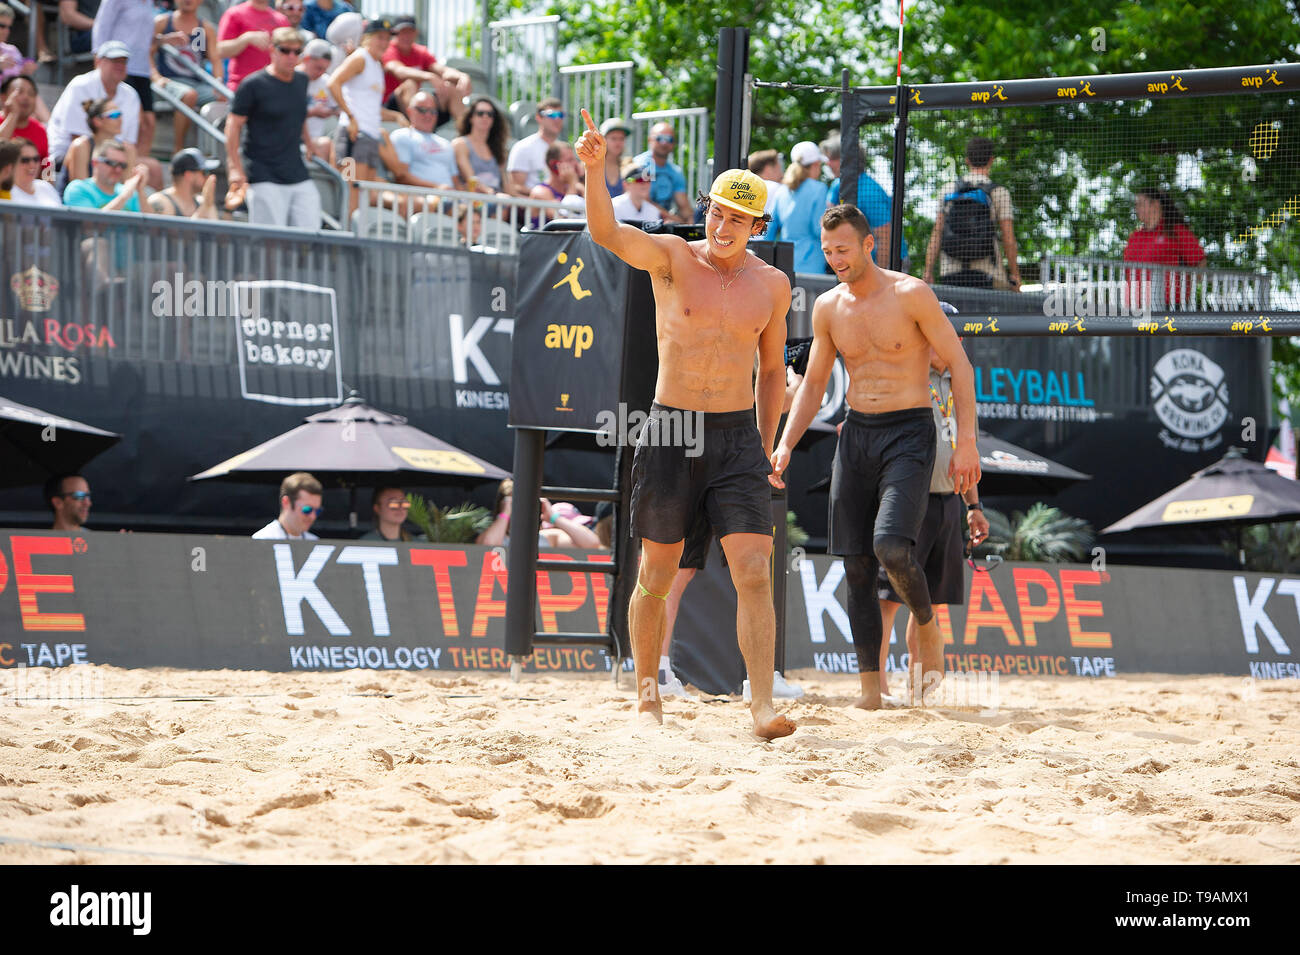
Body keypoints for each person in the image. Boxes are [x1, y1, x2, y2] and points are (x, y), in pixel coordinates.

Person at [578, 108, 796, 741]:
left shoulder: (773, 285)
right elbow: (606, 233)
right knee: (656, 573)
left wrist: (767, 442)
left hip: (735, 438)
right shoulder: (674, 257)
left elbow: (773, 372)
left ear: (758, 225)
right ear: (707, 210)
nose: (723, 226)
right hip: (673, 428)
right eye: (717, 212)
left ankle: (759, 706)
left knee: (755, 568)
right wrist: (596, 172)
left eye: (738, 218)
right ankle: (647, 698)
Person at [771, 204, 980, 711]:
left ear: (868, 244)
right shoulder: (828, 306)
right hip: (858, 434)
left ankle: (926, 624)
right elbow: (815, 383)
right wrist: (784, 443)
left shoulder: (910, 293)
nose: (835, 259)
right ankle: (870, 692)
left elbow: (959, 365)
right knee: (857, 566)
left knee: (889, 545)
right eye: (827, 252)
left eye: (843, 249)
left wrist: (968, 442)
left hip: (910, 431)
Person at [875, 320, 988, 704]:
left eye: (959, 336)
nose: (957, 341)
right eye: (950, 334)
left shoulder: (960, 383)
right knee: (888, 600)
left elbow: (965, 450)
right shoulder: (907, 376)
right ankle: (876, 688)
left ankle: (920, 691)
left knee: (930, 603)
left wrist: (974, 506)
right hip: (909, 500)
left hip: (948, 501)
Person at [225, 27, 321, 229]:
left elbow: (299, 113)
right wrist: (235, 168)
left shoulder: (302, 81)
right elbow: (233, 126)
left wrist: (309, 142)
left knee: (312, 235)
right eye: (285, 50)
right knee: (269, 242)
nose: (291, 56)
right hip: (263, 174)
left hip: (296, 172)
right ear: (272, 50)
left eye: (297, 52)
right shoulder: (252, 84)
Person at [923, 136, 1020, 290]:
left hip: (951, 271)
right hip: (987, 272)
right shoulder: (999, 192)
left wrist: (928, 270)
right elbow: (1008, 237)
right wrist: (1015, 274)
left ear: (967, 160)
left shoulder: (948, 189)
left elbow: (937, 232)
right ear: (991, 160)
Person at [329, 17, 405, 210]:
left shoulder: (376, 65)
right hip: (354, 134)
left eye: (388, 38)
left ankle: (355, 236)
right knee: (352, 191)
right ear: (367, 38)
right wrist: (351, 117)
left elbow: (369, 106)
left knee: (364, 194)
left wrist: (395, 116)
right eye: (380, 37)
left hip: (369, 135)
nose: (385, 42)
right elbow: (333, 83)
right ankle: (347, 238)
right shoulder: (360, 57)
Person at [46, 42, 141, 168]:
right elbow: (77, 139)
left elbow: (129, 143)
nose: (120, 65)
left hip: (111, 157)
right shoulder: (80, 85)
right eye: (114, 60)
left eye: (123, 61)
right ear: (98, 62)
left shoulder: (131, 95)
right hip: (64, 155)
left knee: (151, 168)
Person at [823, 132, 909, 270]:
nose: (827, 163)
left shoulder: (868, 192)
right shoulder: (836, 186)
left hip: (887, 265)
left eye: (833, 158)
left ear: (848, 160)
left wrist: (879, 277)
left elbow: (885, 238)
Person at [151, 0, 224, 152]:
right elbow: (146, 53)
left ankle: (213, 153)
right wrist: (156, 77)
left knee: (226, 98)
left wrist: (219, 83)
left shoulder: (205, 29)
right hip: (169, 81)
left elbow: (216, 60)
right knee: (189, 95)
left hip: (196, 83)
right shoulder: (163, 22)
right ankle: (178, 149)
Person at [91, 0, 158, 160]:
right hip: (117, 66)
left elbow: (143, 35)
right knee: (137, 118)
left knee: (149, 121)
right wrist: (99, 61)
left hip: (141, 68)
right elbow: (101, 26)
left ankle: (137, 163)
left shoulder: (149, 2)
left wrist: (165, 39)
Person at [1122, 187, 1206, 308]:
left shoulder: (1176, 232)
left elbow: (1200, 262)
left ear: (1155, 204)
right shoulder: (1135, 236)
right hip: (1136, 307)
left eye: (1140, 204)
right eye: (1136, 205)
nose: (1136, 209)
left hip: (1170, 305)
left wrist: (1185, 289)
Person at [381, 16, 469, 125]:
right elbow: (399, 71)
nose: (406, 36)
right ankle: (417, 130)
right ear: (394, 34)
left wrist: (462, 76)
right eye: (402, 32)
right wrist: (429, 76)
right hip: (392, 107)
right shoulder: (388, 50)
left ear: (415, 33)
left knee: (450, 88)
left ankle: (467, 132)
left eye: (410, 32)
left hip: (417, 107)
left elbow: (441, 70)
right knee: (410, 84)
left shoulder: (420, 51)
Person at [475, 480, 600, 549]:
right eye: (517, 504)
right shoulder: (493, 536)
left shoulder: (547, 538)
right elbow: (486, 548)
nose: (523, 510)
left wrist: (553, 517)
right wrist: (505, 512)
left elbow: (592, 544)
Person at [768, 140, 830, 273]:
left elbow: (770, 228)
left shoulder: (782, 190)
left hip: (784, 265)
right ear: (815, 165)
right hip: (812, 265)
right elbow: (818, 229)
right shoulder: (819, 189)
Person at [382, 88, 454, 190]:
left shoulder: (446, 143)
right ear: (409, 111)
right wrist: (437, 187)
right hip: (419, 200)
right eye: (422, 110)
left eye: (433, 111)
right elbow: (401, 177)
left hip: (451, 200)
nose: (428, 115)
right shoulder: (402, 136)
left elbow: (455, 181)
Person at [217, 0, 290, 91]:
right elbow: (219, 51)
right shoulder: (234, 14)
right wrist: (245, 39)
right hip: (243, 87)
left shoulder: (281, 20)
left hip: (275, 87)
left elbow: (291, 54)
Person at [63, 138, 149, 210]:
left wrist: (140, 191)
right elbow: (91, 225)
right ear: (95, 163)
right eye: (112, 163)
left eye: (122, 165)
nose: (118, 169)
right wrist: (124, 196)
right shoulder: (78, 189)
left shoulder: (130, 193)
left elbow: (153, 228)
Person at [632, 121, 690, 223]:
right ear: (650, 139)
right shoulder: (639, 165)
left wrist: (691, 227)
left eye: (669, 139)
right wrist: (677, 220)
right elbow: (643, 201)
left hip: (662, 224)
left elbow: (684, 207)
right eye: (660, 138)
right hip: (638, 224)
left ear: (674, 143)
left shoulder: (675, 171)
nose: (664, 143)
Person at [450, 95, 508, 197]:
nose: (485, 117)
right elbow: (471, 180)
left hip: (498, 202)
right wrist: (493, 194)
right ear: (471, 117)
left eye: (490, 114)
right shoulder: (461, 144)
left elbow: (508, 187)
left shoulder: (498, 149)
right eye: (480, 113)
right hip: (473, 200)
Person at [506, 97, 564, 197]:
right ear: (538, 118)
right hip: (536, 207)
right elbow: (516, 186)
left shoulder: (563, 148)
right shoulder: (523, 147)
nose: (557, 119)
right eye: (552, 115)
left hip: (559, 205)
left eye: (560, 115)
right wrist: (545, 194)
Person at [59, 96, 121, 185]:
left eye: (120, 114)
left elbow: (127, 187)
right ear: (97, 121)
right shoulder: (81, 146)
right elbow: (81, 190)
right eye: (114, 115)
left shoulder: (126, 148)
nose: (120, 119)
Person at [147, 147, 219, 218]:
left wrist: (212, 206)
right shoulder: (161, 201)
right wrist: (205, 206)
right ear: (189, 175)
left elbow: (216, 229)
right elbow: (177, 229)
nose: (208, 177)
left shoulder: (201, 201)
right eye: (204, 172)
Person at [298, 37, 337, 162]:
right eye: (318, 68)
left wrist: (331, 111)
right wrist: (312, 112)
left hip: (316, 137)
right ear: (306, 59)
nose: (321, 73)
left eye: (325, 69)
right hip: (293, 139)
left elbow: (337, 109)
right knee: (326, 144)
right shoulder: (291, 79)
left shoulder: (326, 81)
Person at [253, 471, 324, 539]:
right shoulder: (262, 539)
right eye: (307, 509)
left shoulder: (315, 543)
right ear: (286, 502)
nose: (313, 516)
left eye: (318, 511)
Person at [528, 140, 583, 225]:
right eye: (570, 160)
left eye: (575, 159)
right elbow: (564, 222)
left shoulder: (578, 188)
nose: (576, 164)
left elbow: (594, 213)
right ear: (554, 164)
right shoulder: (540, 192)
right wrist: (572, 183)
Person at [0, 74, 48, 162]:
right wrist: (14, 114)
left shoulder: (40, 130)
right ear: (3, 97)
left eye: (31, 94)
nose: (26, 97)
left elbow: (45, 170)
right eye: (19, 92)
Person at [6, 137, 59, 205]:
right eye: (25, 160)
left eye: (36, 159)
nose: (32, 164)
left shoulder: (46, 187)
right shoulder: (6, 193)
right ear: (11, 164)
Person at [611, 157, 659, 224]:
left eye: (648, 180)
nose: (644, 183)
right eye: (639, 180)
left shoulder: (653, 211)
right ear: (626, 184)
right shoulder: (613, 207)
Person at [598, 116, 631, 198]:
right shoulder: (592, 164)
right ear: (603, 140)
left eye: (621, 139)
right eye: (613, 138)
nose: (618, 143)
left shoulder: (628, 164)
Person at [747, 147, 782, 216]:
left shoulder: (746, 187)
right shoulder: (776, 188)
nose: (781, 173)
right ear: (768, 169)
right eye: (779, 167)